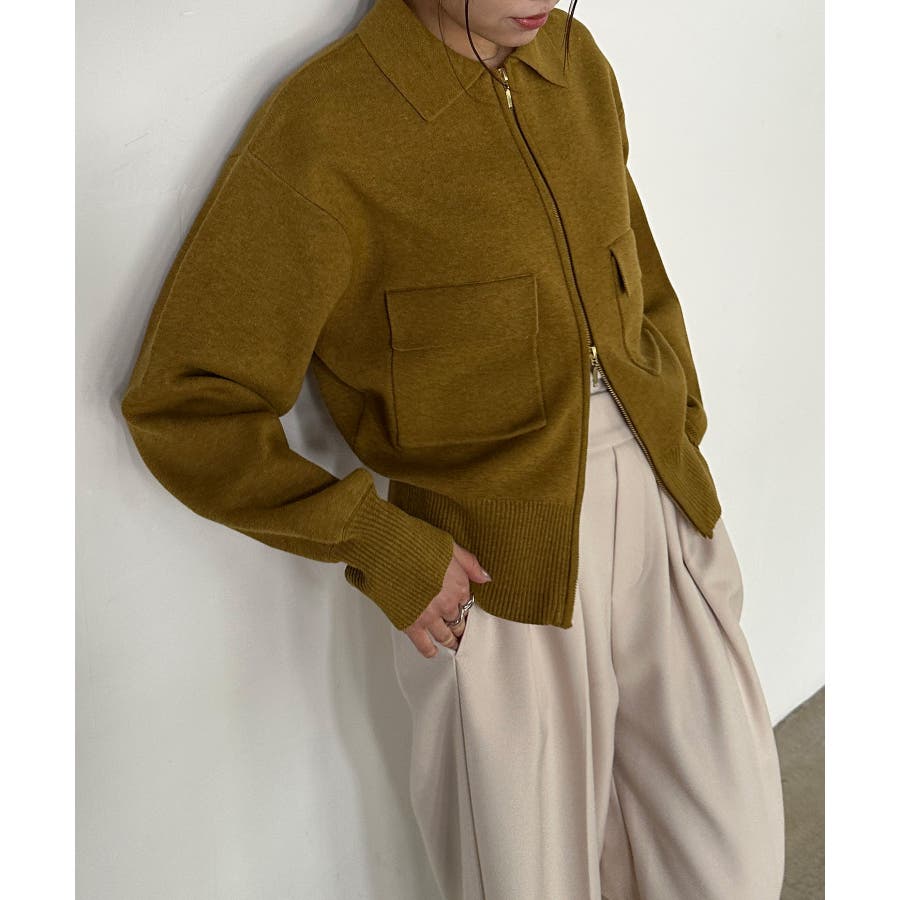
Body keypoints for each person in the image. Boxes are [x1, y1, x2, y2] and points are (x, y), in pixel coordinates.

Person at [119, 1, 786, 897]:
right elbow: (187, 401)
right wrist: (382, 545)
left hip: (661, 518)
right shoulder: (328, 124)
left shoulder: (573, 61)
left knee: (730, 864)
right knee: (531, 879)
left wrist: (682, 434)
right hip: (494, 577)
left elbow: (641, 281)